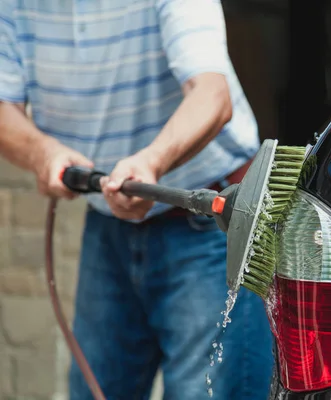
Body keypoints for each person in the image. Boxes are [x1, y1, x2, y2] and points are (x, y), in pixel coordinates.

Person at [0, 1, 274, 399]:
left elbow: (212, 95)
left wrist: (152, 162)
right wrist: (42, 153)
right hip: (107, 223)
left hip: (209, 224)